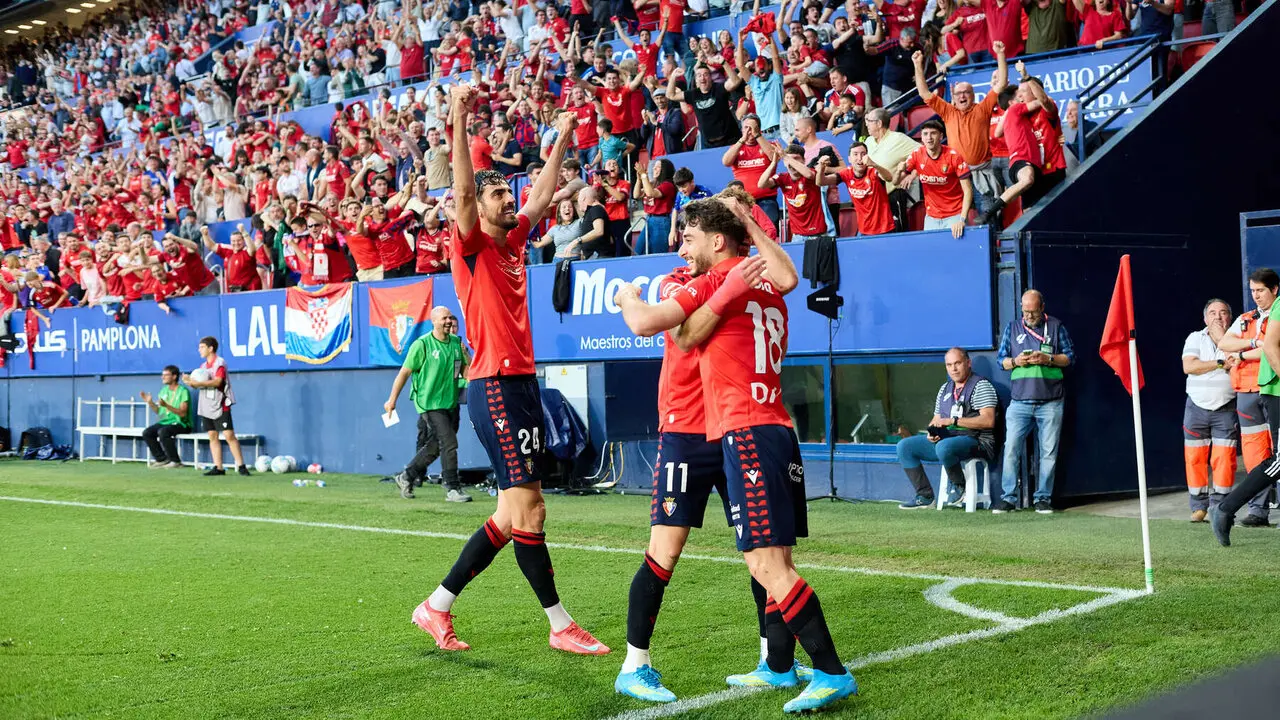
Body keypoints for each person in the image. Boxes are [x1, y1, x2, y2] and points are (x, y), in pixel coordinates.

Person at [612, 198, 856, 713]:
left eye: (690, 235)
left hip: (743, 430)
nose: (682, 244)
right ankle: (780, 665)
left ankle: (831, 671)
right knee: (773, 559)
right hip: (774, 429)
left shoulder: (718, 280)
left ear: (717, 241)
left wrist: (623, 294)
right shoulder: (763, 282)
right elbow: (786, 279)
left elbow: (657, 326)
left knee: (766, 563)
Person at [411, 84, 608, 656]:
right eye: (497, 192)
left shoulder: (514, 238)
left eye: (505, 191)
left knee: (508, 514)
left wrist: (564, 137)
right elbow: (466, 189)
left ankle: (436, 606)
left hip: (519, 382)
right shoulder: (469, 241)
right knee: (531, 508)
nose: (506, 198)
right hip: (493, 385)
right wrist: (457, 117)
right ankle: (559, 623)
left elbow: (544, 194)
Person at [995, 289, 1073, 513]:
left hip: (1051, 401)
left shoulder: (1056, 326)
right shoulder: (1012, 327)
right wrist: (1016, 361)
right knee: (1011, 449)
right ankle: (1008, 498)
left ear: (1042, 307)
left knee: (1048, 452)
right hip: (1019, 401)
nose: (1028, 316)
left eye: (1033, 311)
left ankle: (1043, 498)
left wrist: (1048, 359)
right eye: (1025, 311)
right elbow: (1001, 361)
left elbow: (1069, 358)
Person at [384, 306, 471, 503]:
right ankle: (452, 487)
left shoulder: (457, 343)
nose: (449, 321)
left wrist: (467, 356)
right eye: (444, 318)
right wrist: (392, 401)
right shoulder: (422, 345)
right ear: (434, 322)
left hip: (451, 402)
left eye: (450, 317)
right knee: (449, 443)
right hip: (429, 403)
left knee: (435, 446)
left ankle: (406, 476)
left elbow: (467, 372)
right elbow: (404, 373)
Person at [896, 348, 999, 508]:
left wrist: (954, 421)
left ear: (968, 363)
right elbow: (936, 420)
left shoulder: (981, 385)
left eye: (957, 363)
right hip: (948, 441)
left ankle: (959, 486)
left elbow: (988, 420)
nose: (954, 368)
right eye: (949, 365)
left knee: (944, 447)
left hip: (977, 441)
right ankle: (925, 496)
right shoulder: (945, 389)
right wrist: (932, 432)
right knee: (905, 446)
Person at [1216, 268, 1280, 527]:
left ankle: (1227, 508)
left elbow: (1267, 347)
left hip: (1266, 388)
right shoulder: (1248, 318)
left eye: (1260, 290)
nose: (1255, 296)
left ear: (1273, 289)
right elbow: (1228, 344)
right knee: (1262, 455)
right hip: (1261, 392)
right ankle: (1240, 508)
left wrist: (1241, 354)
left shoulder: (1273, 312)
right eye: (1252, 291)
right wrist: (1253, 344)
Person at [913, 44, 1009, 215]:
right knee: (958, 216)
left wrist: (1001, 54)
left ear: (972, 95)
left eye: (966, 92)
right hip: (956, 176)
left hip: (981, 173)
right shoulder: (948, 111)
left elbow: (1001, 84)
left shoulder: (983, 108)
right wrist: (917, 65)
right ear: (954, 97)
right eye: (958, 93)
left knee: (987, 215)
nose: (962, 96)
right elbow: (924, 93)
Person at [1181, 299, 1239, 522]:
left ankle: (1219, 507)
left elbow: (1237, 365)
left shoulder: (1236, 339)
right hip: (1196, 406)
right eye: (1212, 313)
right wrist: (1219, 363)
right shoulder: (1195, 337)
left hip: (1226, 407)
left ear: (1229, 318)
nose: (1218, 317)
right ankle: (1198, 507)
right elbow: (1189, 367)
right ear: (1205, 318)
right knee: (1194, 457)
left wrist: (1222, 345)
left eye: (1223, 313)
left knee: (1224, 458)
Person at [184, 336, 251, 477]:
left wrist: (197, 383)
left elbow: (218, 382)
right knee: (212, 435)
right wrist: (189, 381)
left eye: (202, 347)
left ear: (210, 348)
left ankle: (241, 466)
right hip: (207, 405)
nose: (199, 350)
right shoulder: (202, 368)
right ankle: (218, 467)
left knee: (228, 435)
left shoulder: (219, 363)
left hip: (221, 403)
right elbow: (199, 386)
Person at [897, 120, 973, 238]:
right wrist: (899, 170)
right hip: (931, 216)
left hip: (955, 215)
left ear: (941, 136)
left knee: (955, 253)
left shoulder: (954, 156)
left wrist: (962, 219)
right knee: (932, 253)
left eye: (933, 133)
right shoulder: (917, 154)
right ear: (921, 138)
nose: (929, 137)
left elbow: (968, 190)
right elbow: (896, 181)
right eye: (925, 134)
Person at [816, 141, 897, 236]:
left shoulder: (873, 171)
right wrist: (821, 168)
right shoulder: (846, 174)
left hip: (884, 228)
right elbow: (820, 182)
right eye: (855, 154)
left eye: (863, 154)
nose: (860, 158)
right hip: (864, 230)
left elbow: (889, 177)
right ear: (849, 159)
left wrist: (874, 164)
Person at [140, 365, 192, 469]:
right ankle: (162, 459)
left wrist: (167, 405)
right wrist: (150, 403)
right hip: (166, 422)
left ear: (174, 376)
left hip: (182, 424)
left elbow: (183, 413)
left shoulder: (183, 391)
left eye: (166, 375)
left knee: (163, 432)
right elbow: (160, 412)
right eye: (162, 375)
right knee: (147, 432)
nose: (162, 377)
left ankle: (176, 461)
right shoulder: (163, 391)